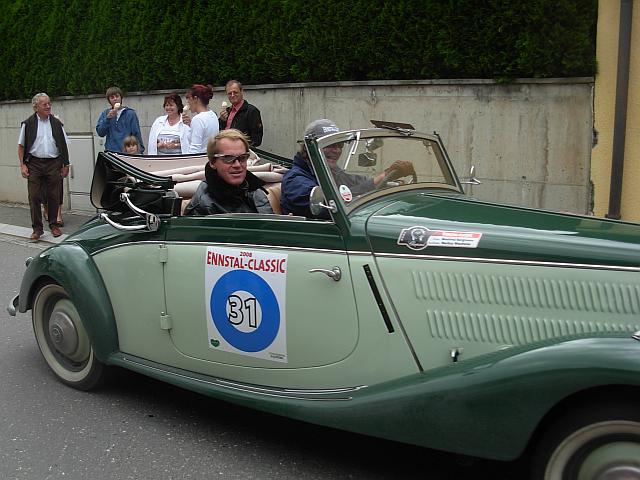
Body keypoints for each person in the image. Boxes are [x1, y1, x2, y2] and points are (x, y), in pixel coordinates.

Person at [280, 119, 414, 218]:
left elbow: (357, 183)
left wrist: (387, 180)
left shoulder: (331, 172)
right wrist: (381, 178)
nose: (337, 150)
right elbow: (333, 205)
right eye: (330, 145)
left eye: (340, 145)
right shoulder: (295, 180)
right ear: (308, 149)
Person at [184, 129, 273, 215]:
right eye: (228, 158)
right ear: (212, 163)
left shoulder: (254, 189)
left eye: (242, 157)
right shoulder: (202, 206)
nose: (237, 165)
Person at [18, 93, 70, 240]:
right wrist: (22, 165)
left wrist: (66, 164)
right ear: (36, 107)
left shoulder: (57, 123)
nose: (48, 106)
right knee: (34, 195)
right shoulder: (28, 124)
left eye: (49, 103)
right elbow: (21, 146)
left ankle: (54, 225)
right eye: (44, 104)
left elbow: (64, 145)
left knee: (54, 195)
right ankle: (37, 229)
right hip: (34, 163)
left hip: (54, 163)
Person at [96, 86, 145, 153]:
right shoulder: (106, 113)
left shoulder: (130, 113)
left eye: (117, 96)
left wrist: (140, 152)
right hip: (111, 152)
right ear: (109, 100)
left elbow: (136, 134)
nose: (115, 99)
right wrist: (107, 119)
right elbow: (100, 133)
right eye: (112, 97)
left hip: (126, 152)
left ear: (121, 97)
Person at [218, 80, 263, 147]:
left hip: (241, 151)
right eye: (229, 93)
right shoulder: (227, 111)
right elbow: (219, 132)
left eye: (235, 92)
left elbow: (257, 140)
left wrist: (240, 147)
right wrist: (222, 121)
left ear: (242, 92)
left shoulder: (252, 111)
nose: (232, 95)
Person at [183, 84, 219, 154]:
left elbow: (195, 149)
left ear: (195, 98)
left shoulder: (198, 119)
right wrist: (191, 125)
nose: (188, 102)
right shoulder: (213, 114)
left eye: (189, 99)